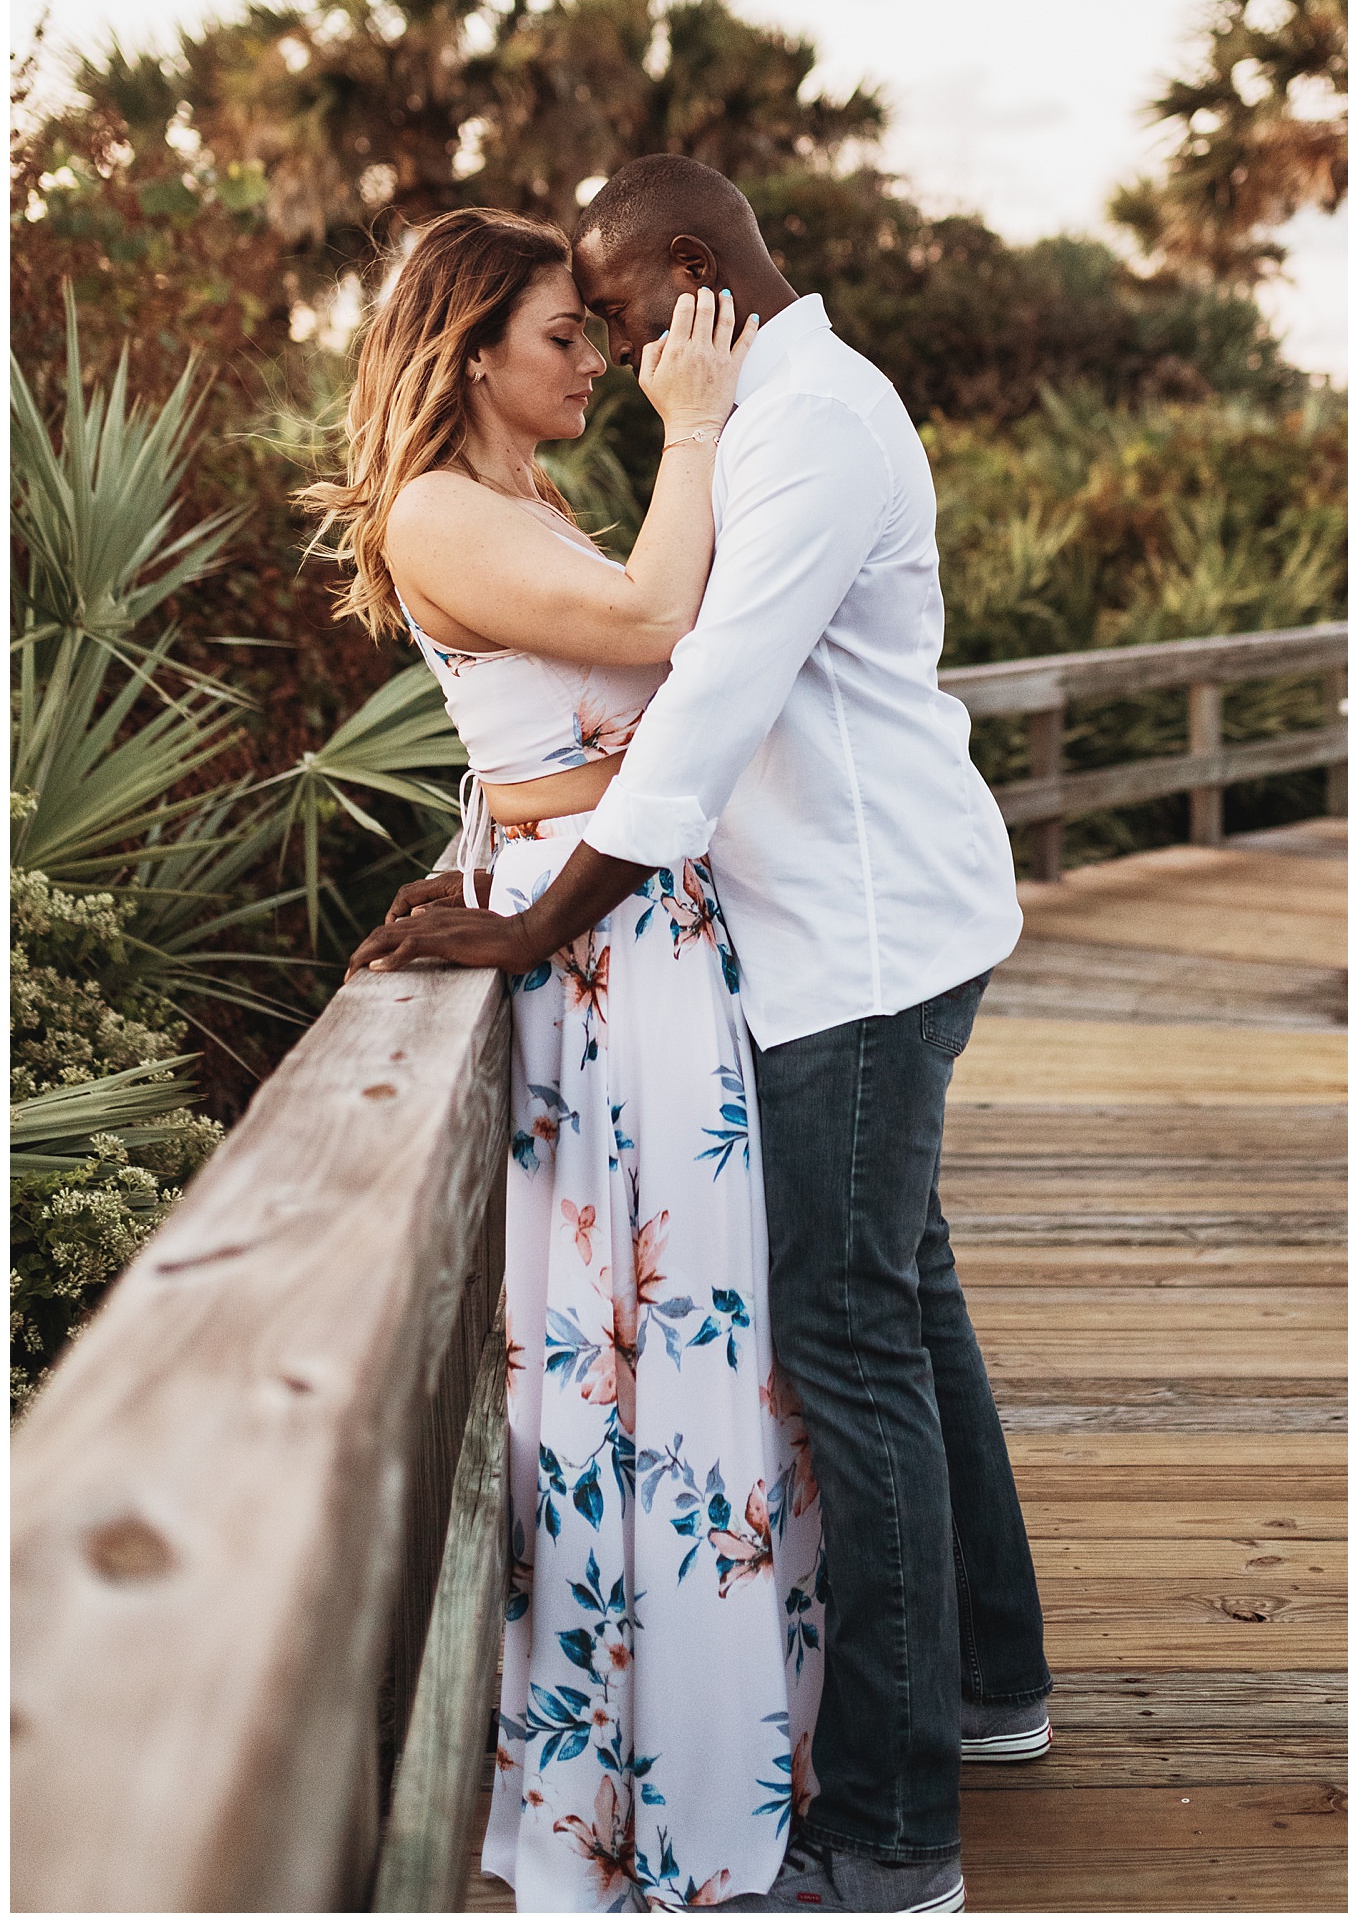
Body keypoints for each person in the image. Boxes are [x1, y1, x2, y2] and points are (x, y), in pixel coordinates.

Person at [354, 159, 1052, 1917]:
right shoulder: (753, 415)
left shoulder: (797, 426)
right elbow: (618, 696)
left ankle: (894, 1836)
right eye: (559, 326)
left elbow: (694, 702)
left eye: (607, 305)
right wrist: (504, 874)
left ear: (686, 268)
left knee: (843, 1330)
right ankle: (984, 1685)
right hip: (778, 938)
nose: (604, 350)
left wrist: (527, 917)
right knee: (888, 1297)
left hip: (848, 941)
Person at [309, 208, 824, 1913]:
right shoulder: (444, 508)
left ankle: (692, 1757)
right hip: (602, 946)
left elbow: (548, 721)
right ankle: (650, 1794)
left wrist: (478, 832)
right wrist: (691, 427)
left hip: (630, 930)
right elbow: (652, 625)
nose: (596, 356)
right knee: (644, 1339)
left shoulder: (509, 493)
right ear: (470, 353)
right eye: (560, 333)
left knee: (680, 1335)